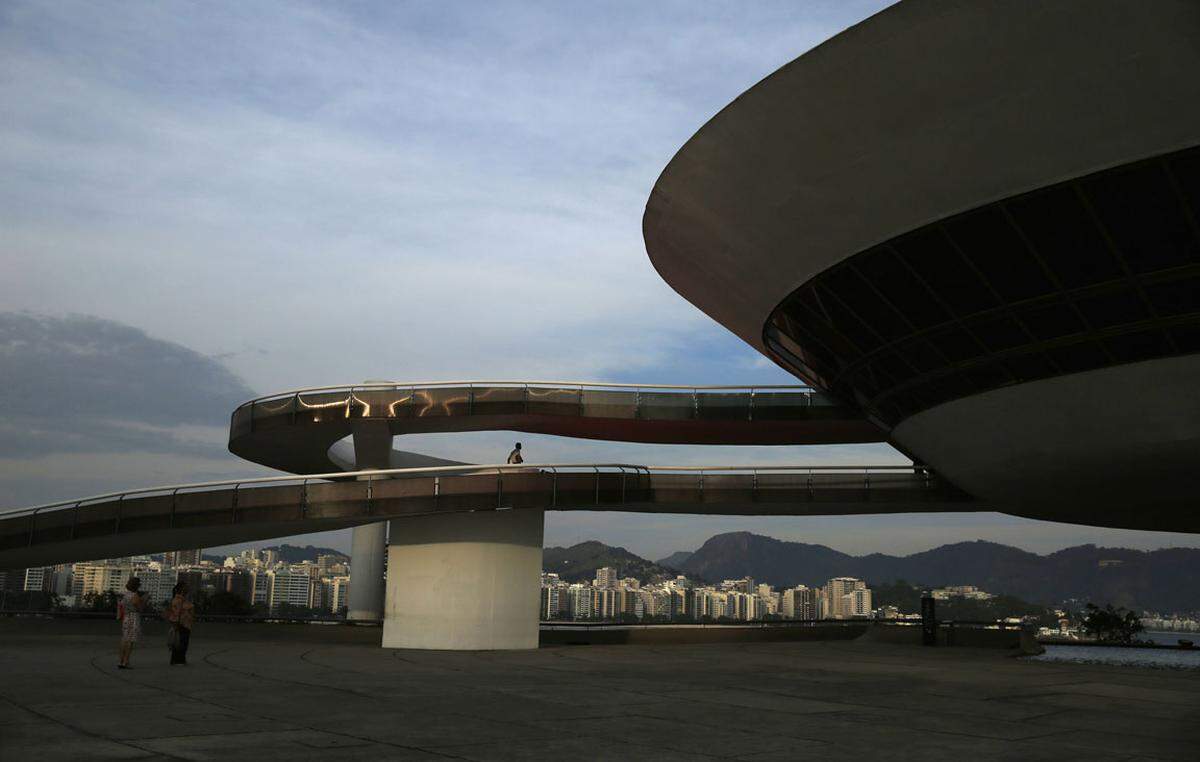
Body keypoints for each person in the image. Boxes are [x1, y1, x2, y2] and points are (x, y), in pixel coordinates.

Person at [166, 581, 195, 665]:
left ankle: (178, 659)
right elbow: (176, 613)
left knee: (181, 642)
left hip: (184, 624)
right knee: (181, 642)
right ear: (182, 589)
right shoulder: (179, 600)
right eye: (186, 587)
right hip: (181, 624)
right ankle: (178, 660)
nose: (188, 589)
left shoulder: (180, 599)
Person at [118, 577, 144, 669]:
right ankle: (126, 661)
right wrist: (143, 600)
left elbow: (121, 606)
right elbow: (140, 609)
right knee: (130, 641)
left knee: (124, 639)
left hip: (126, 617)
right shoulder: (135, 596)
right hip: (133, 618)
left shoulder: (125, 595)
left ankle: (121, 661)